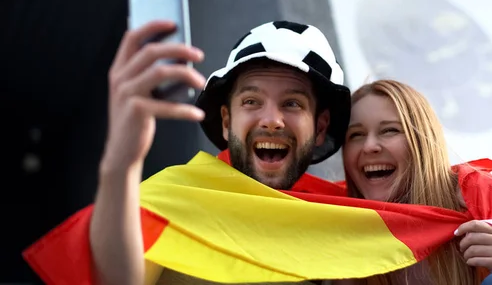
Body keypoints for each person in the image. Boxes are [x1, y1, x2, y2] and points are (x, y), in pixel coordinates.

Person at [89, 19, 351, 285]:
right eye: (251, 101)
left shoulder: (346, 233)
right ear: (227, 121)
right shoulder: (170, 200)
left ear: (320, 128)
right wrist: (120, 164)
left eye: (292, 103)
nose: (272, 120)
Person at [339, 80, 492, 285]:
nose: (369, 146)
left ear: (423, 140)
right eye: (356, 135)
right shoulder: (334, 219)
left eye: (389, 130)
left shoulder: (476, 199)